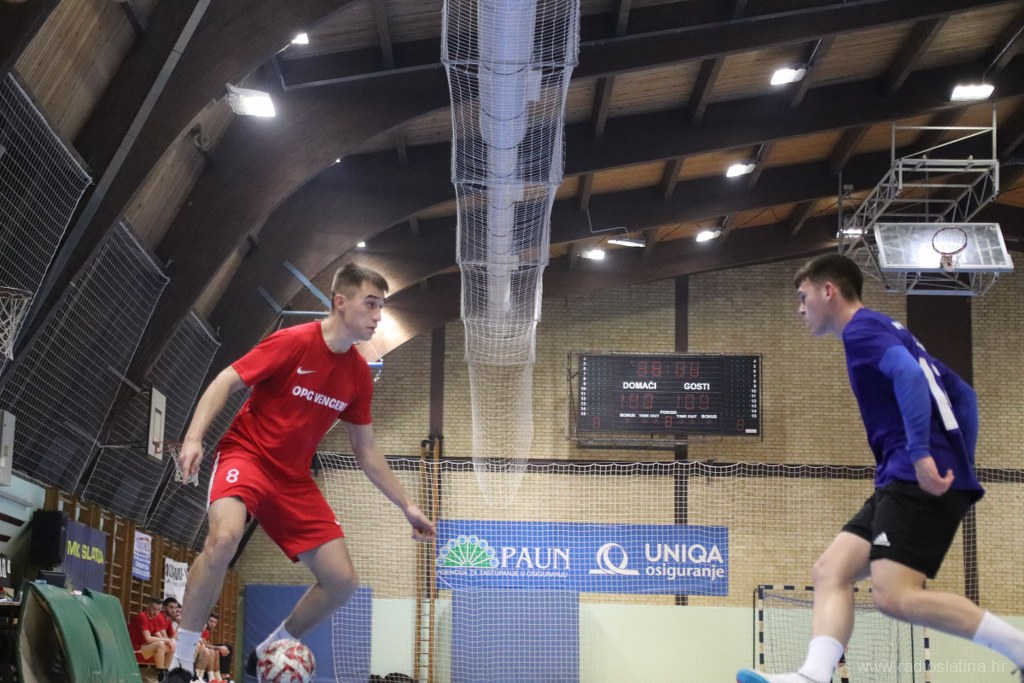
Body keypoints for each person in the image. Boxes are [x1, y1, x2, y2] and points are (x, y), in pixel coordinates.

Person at [737, 253, 1024, 683]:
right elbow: (964, 395)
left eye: (803, 296)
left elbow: (909, 376)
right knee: (831, 571)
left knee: (895, 597)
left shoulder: (862, 330)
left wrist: (923, 455)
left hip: (914, 475)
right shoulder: (892, 329)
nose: (800, 308)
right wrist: (961, 462)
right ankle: (813, 675)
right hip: (904, 476)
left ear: (828, 291)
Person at [165, 263, 436, 683]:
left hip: (292, 479)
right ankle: (181, 662)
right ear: (340, 302)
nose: (378, 316)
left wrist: (408, 505)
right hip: (247, 456)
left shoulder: (359, 376)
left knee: (342, 581)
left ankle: (271, 647)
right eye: (370, 304)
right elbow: (226, 380)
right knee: (223, 540)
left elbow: (366, 450)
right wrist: (194, 437)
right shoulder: (293, 342)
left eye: (381, 306)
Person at [128, 596, 177, 681]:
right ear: (148, 607)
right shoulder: (142, 616)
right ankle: (161, 677)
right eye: (154, 609)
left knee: (172, 644)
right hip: (134, 648)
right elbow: (148, 639)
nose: (156, 612)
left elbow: (159, 636)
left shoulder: (154, 619)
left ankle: (166, 674)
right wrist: (167, 640)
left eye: (159, 610)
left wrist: (170, 642)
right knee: (160, 644)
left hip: (144, 648)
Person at [200, 613, 231, 681]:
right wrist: (218, 648)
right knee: (216, 650)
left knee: (220, 650)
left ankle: (218, 676)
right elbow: (204, 645)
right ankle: (219, 676)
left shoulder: (207, 632)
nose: (213, 624)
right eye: (211, 621)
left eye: (215, 622)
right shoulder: (203, 629)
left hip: (205, 653)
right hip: (199, 653)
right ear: (206, 621)